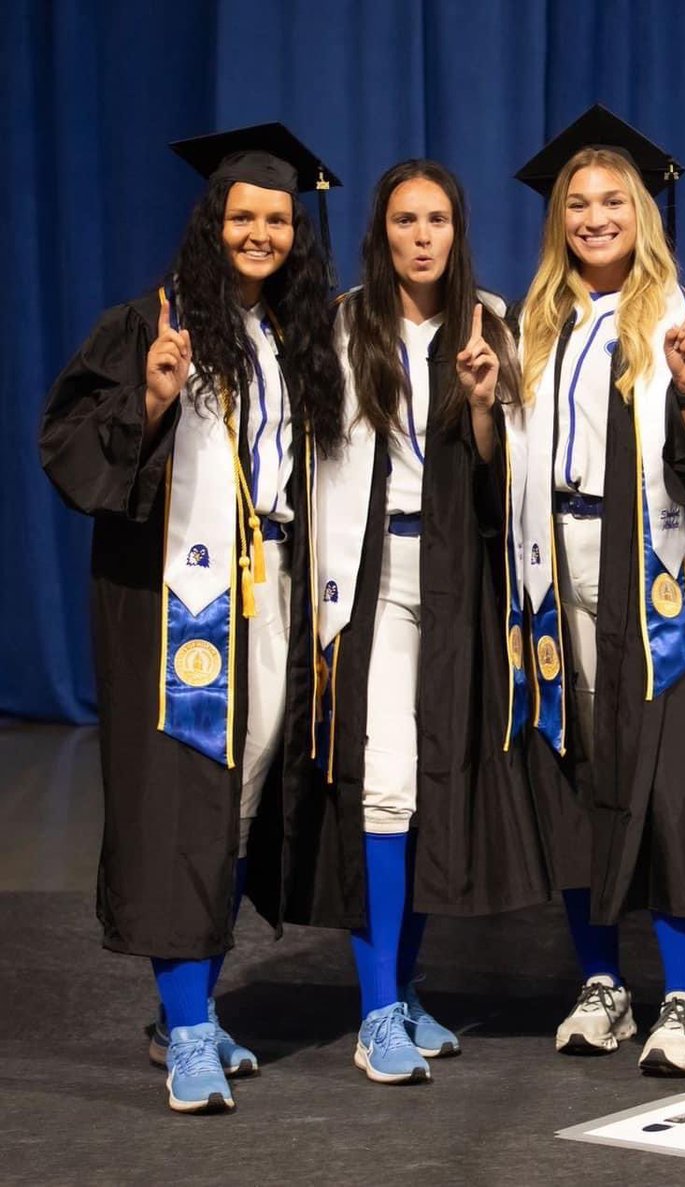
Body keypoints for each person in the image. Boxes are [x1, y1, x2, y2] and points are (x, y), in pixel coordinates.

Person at [40, 124, 345, 1112]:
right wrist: (153, 398)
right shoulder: (146, 326)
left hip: (273, 600)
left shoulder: (297, 338)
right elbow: (74, 452)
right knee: (177, 798)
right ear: (211, 222)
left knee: (242, 794)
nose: (260, 234)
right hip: (175, 609)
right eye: (243, 216)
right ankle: (191, 1025)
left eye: (277, 220)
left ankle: (189, 1010)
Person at [506, 106, 685, 1076]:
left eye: (615, 201)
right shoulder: (538, 321)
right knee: (578, 775)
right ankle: (602, 980)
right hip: (554, 568)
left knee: (667, 785)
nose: (595, 216)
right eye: (579, 203)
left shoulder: (684, 324)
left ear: (644, 215)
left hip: (653, 575)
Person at [292, 159, 547, 1085]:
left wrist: (484, 404)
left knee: (433, 783)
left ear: (457, 228)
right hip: (370, 581)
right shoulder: (344, 321)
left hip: (454, 579)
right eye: (405, 220)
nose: (422, 236)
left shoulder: (491, 322)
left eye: (438, 218)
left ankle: (403, 989)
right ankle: (375, 1012)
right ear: (383, 230)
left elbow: (498, 477)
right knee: (386, 784)